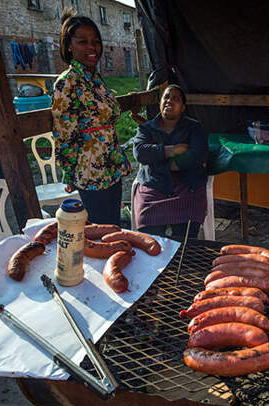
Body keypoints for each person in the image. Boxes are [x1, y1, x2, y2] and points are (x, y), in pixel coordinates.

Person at [51, 8, 131, 226]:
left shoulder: (95, 79)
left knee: (114, 225)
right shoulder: (68, 82)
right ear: (69, 45)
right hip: (91, 170)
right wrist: (69, 173)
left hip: (111, 164)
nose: (92, 47)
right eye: (83, 42)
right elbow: (64, 133)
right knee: (101, 229)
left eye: (95, 41)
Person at [132, 84, 208, 238]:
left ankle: (180, 260)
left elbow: (197, 155)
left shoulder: (194, 127)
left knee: (185, 239)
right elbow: (140, 153)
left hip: (187, 187)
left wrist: (161, 162)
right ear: (160, 103)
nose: (169, 101)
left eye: (176, 99)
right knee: (150, 239)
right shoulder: (146, 129)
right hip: (154, 186)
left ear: (183, 107)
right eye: (166, 97)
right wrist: (171, 150)